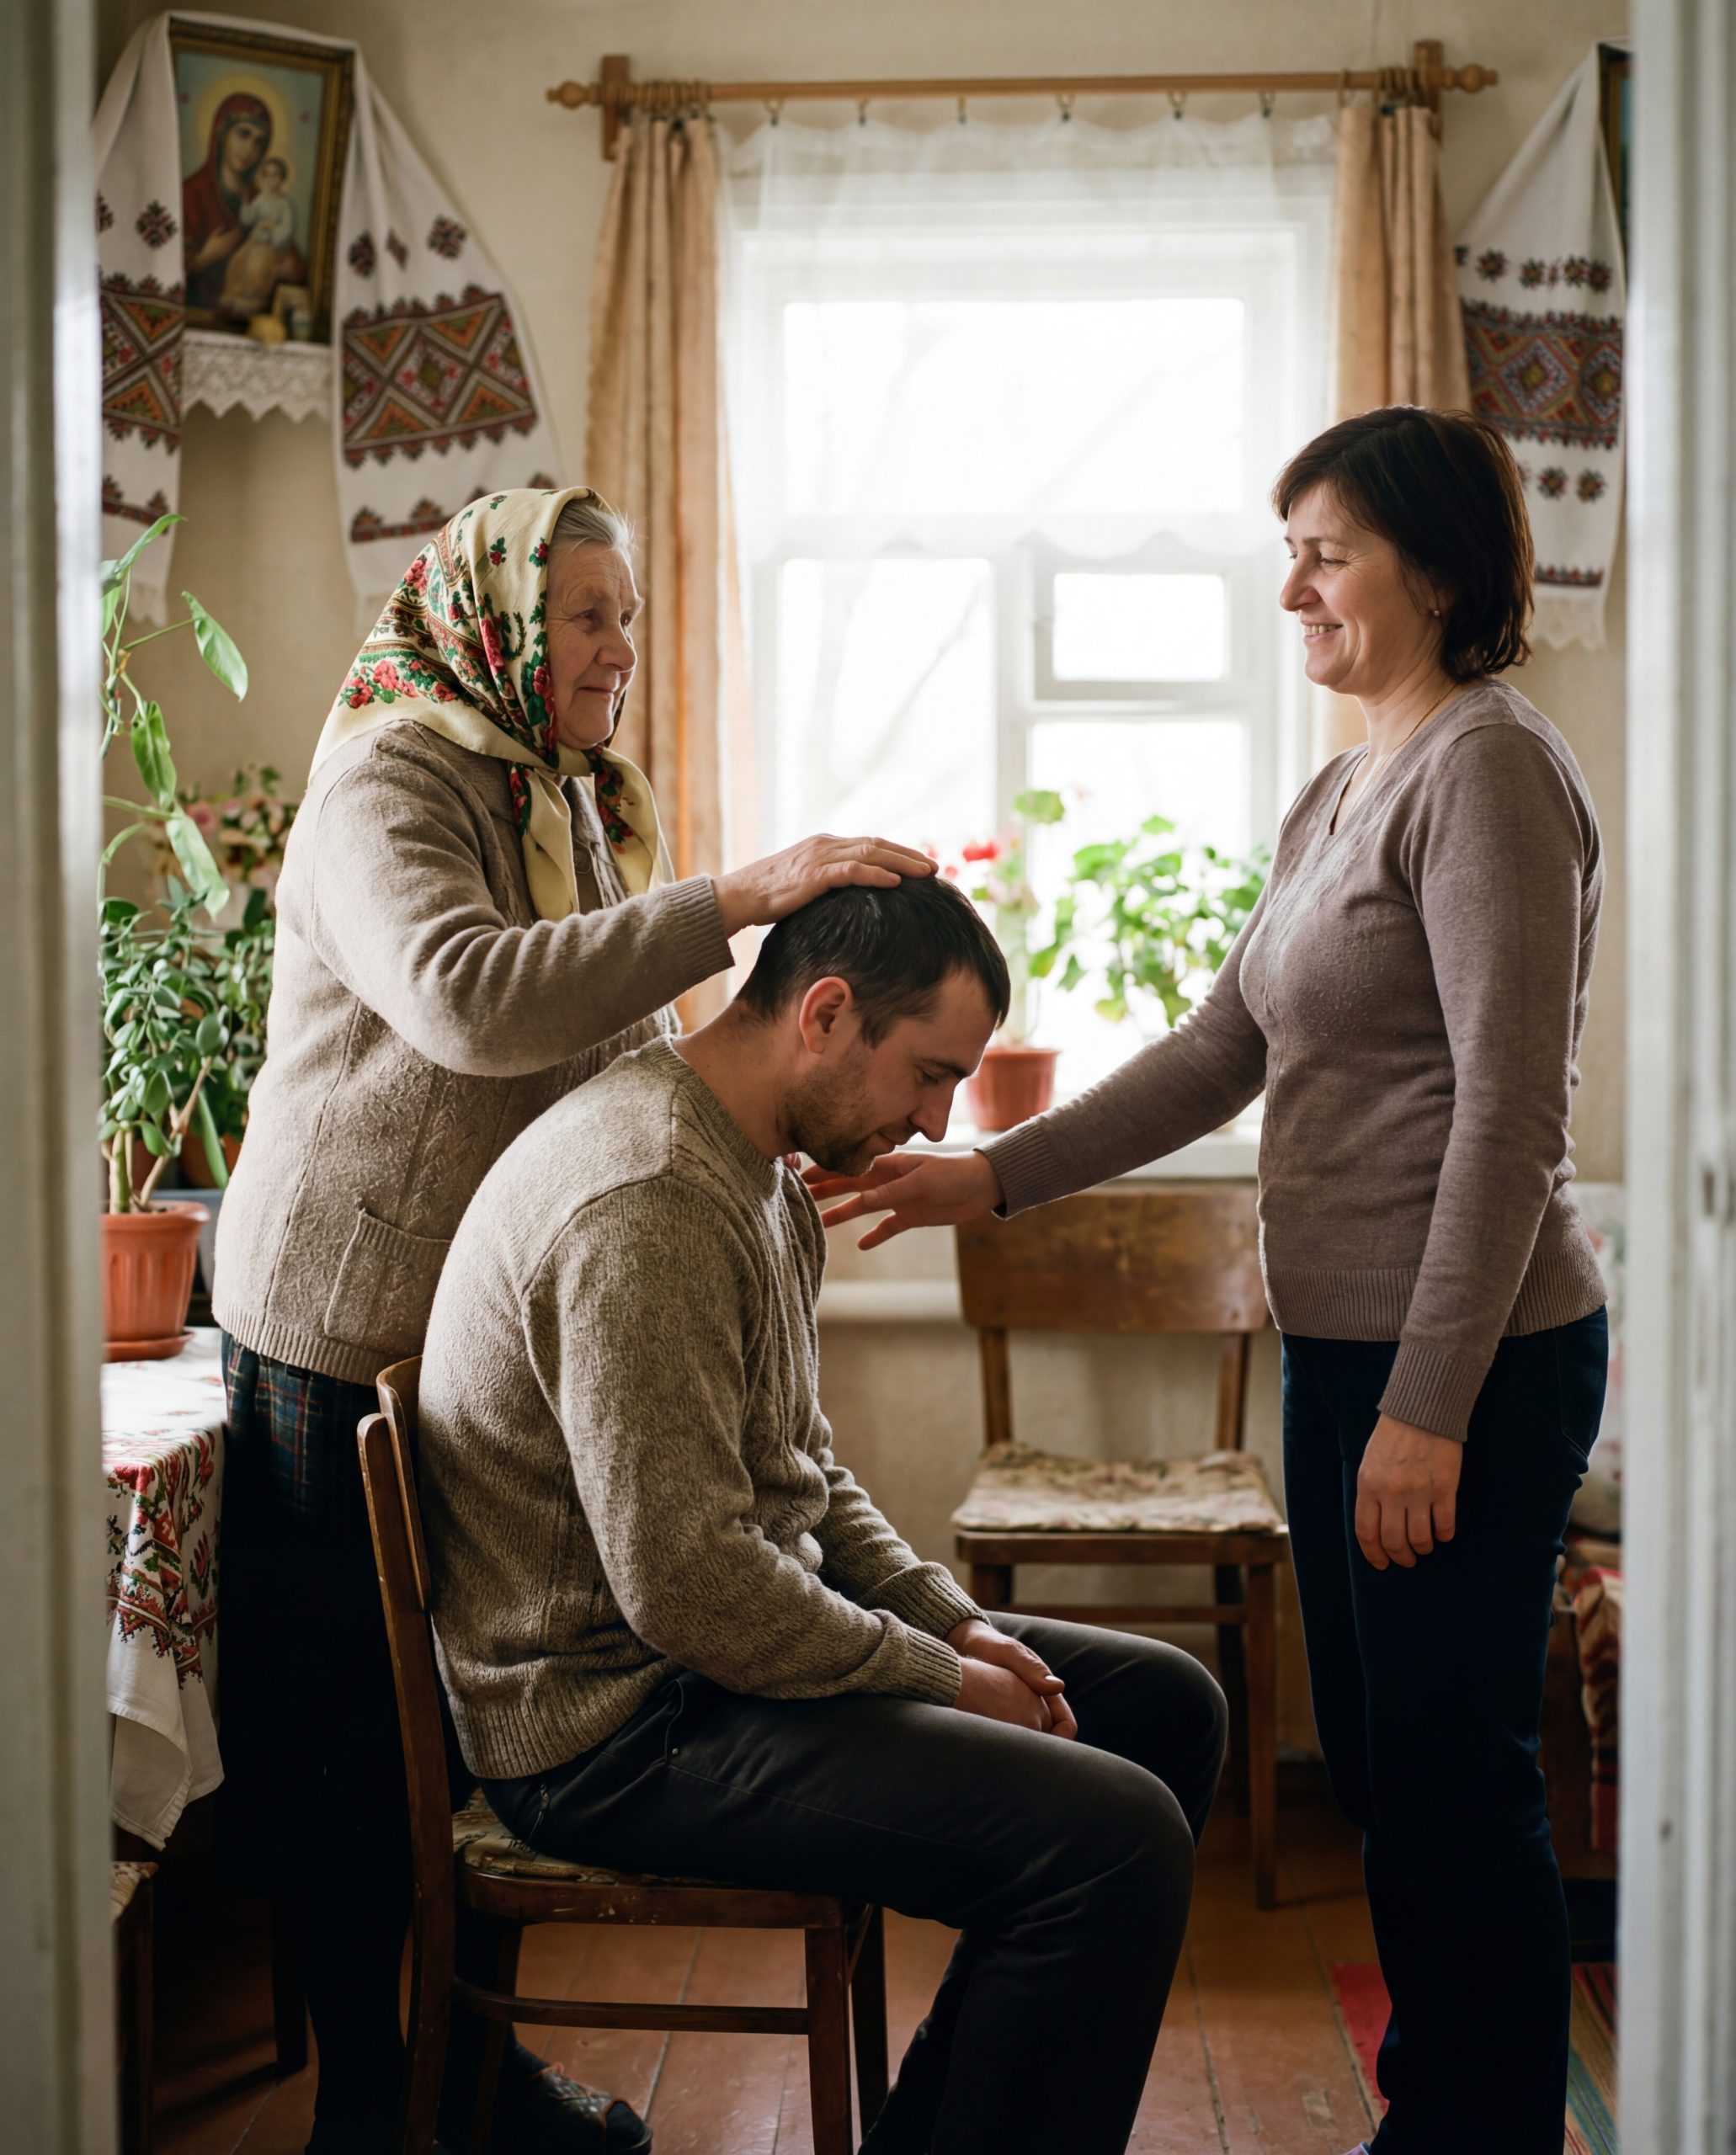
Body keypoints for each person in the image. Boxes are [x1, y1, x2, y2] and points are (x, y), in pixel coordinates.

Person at [813, 407, 1607, 2155]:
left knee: (1451, 1783)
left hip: (1459, 1360)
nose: (1291, 585)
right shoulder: (1345, 782)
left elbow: (1509, 1119)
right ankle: (1437, 2113)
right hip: (1354, 1354)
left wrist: (1424, 1402)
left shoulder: (1485, 765)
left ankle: (1476, 2132)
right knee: (1398, 1781)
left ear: (1437, 566)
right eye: (1290, 547)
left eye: (1325, 549)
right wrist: (984, 1175)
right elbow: (1219, 1043)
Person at [211, 485, 935, 2155]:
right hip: (333, 1328)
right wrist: (736, 890)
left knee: (441, 1752)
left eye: (624, 612)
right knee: (348, 1762)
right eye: (584, 614)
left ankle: (462, 2076)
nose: (614, 646)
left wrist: (743, 1166)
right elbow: (474, 999)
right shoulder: (388, 775)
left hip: (460, 1332)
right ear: (495, 618)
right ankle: (372, 2101)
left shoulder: (551, 783)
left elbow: (615, 1046)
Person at [418, 874, 1227, 2155]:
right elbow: (686, 1585)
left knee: (1168, 1712)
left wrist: (954, 1627)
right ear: (828, 1012)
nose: (938, 1117)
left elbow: (804, 1474)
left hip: (709, 1664)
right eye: (927, 1073)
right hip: (612, 1729)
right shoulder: (651, 1199)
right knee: (1111, 1847)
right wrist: (939, 1677)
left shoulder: (763, 1177)